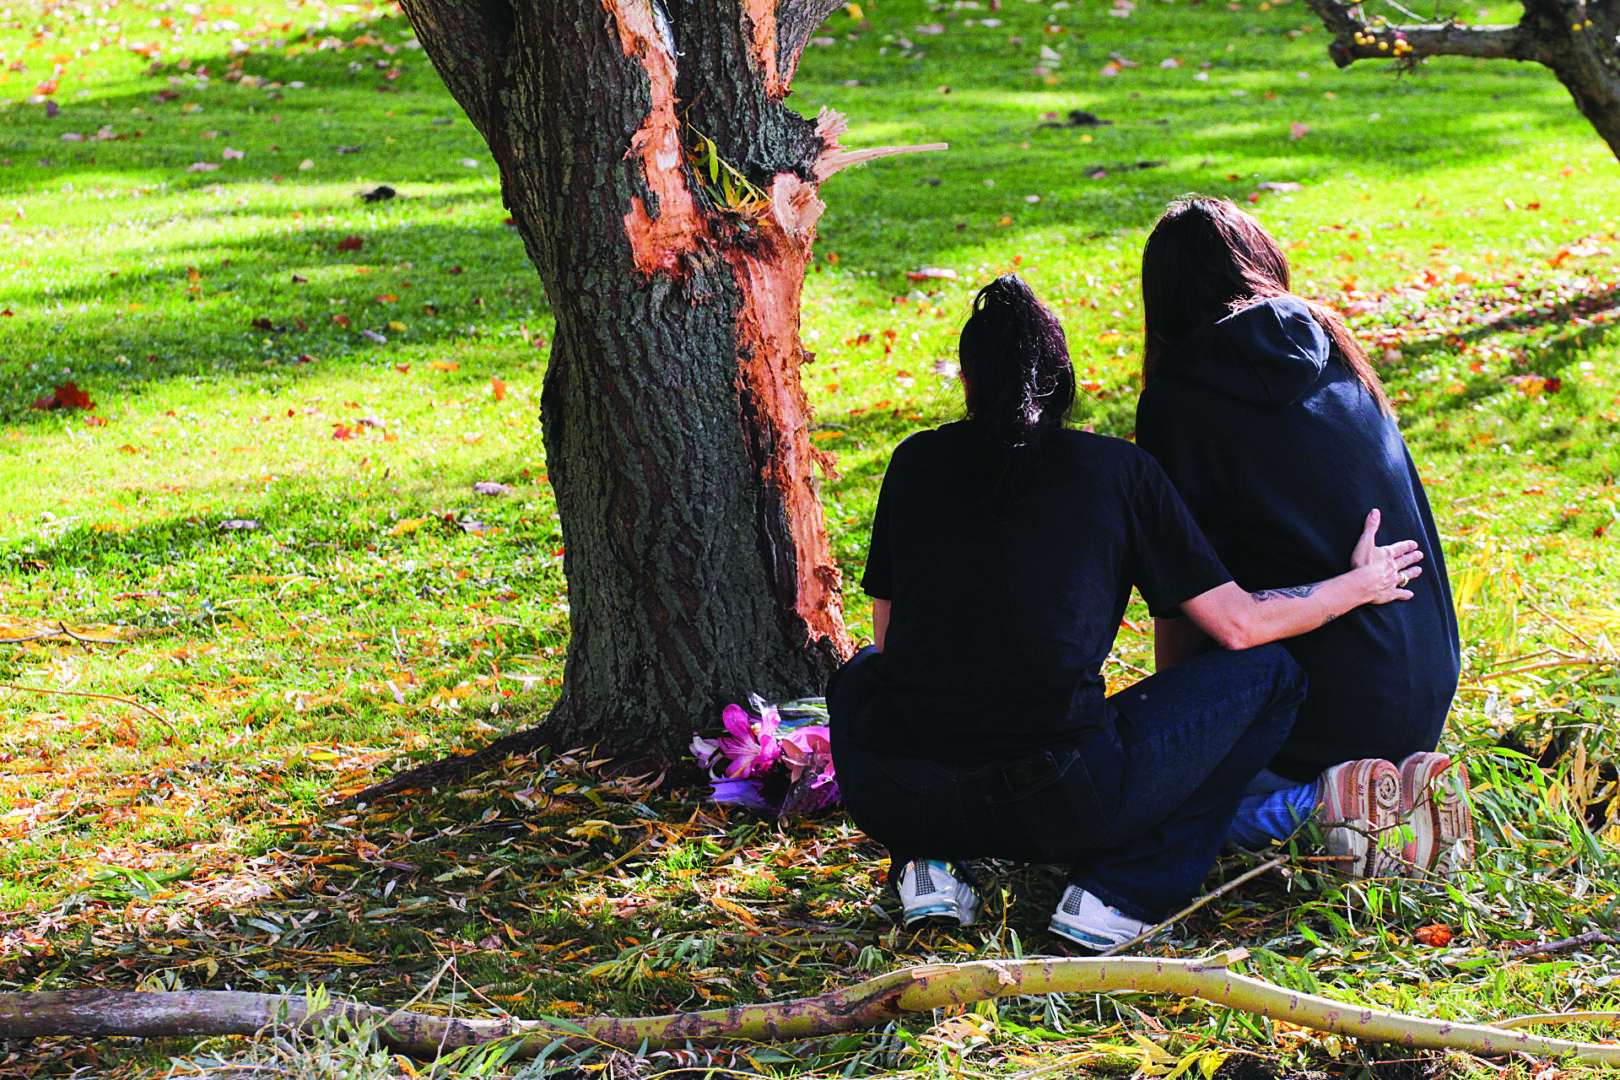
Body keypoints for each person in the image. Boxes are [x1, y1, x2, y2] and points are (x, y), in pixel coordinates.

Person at [827, 274, 1424, 951]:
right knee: (1274, 676)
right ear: (1065, 381)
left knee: (860, 675)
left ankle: (927, 866)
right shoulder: (1118, 472)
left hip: (902, 793)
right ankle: (1120, 893)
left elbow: (890, 640)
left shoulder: (915, 462)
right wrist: (1359, 583)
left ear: (968, 381)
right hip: (1061, 800)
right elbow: (1239, 626)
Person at [1135, 196, 1470, 878]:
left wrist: (1180, 723)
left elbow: (1183, 590)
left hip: (1321, 710)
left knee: (1148, 797)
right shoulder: (1335, 350)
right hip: (1425, 685)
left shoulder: (1177, 400)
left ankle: (1317, 805)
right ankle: (1402, 791)